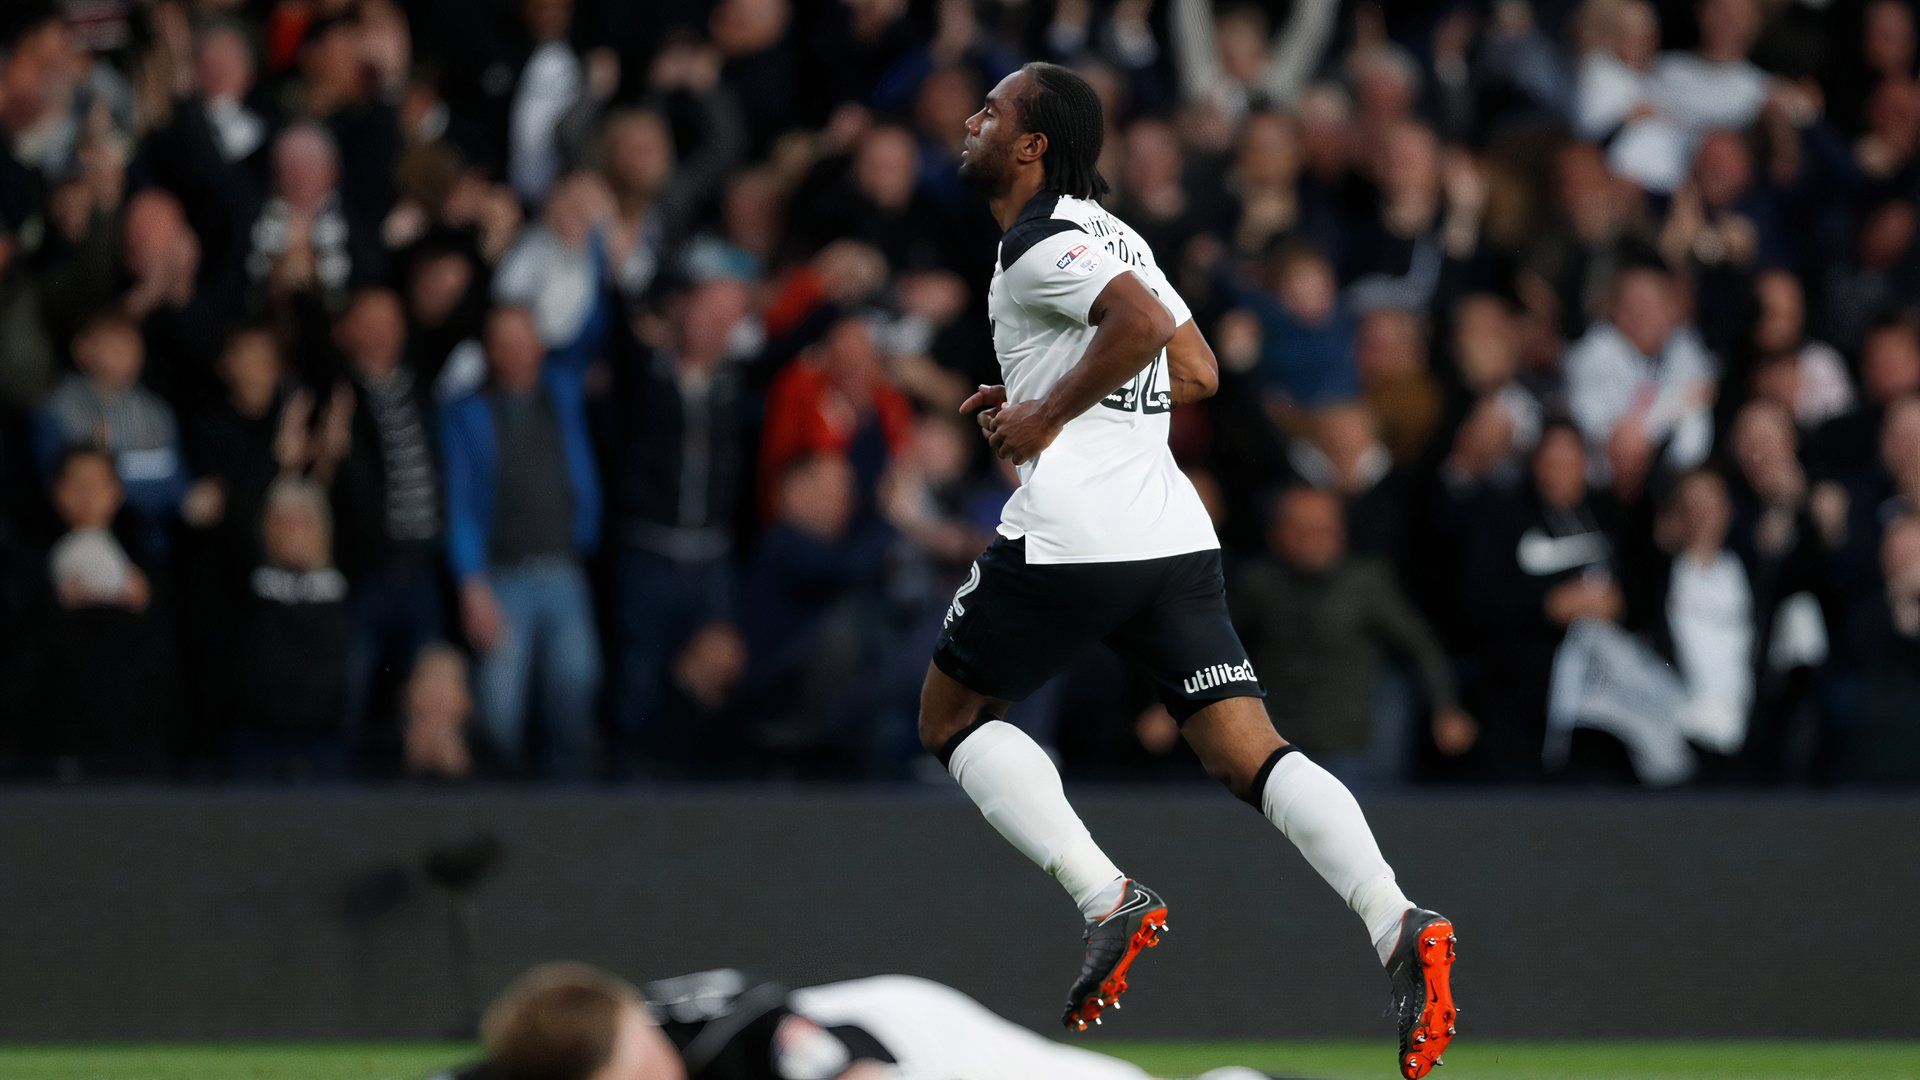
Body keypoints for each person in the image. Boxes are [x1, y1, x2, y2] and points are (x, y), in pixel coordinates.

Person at [923, 63, 1455, 1078]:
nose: (970, 121)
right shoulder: (1115, 231)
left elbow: (1138, 328)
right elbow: (1198, 368)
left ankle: (1105, 896)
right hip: (1171, 536)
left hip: (1075, 536)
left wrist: (1044, 412)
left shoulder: (1043, 240)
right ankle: (1397, 921)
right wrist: (1042, 381)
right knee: (1250, 751)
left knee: (951, 721)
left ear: (1032, 145)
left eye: (990, 111)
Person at [432, 961, 1283, 1080]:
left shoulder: (741, 1044)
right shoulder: (536, 1058)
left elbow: (857, 1072)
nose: (657, 1069)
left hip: (906, 1043)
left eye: (650, 1059)